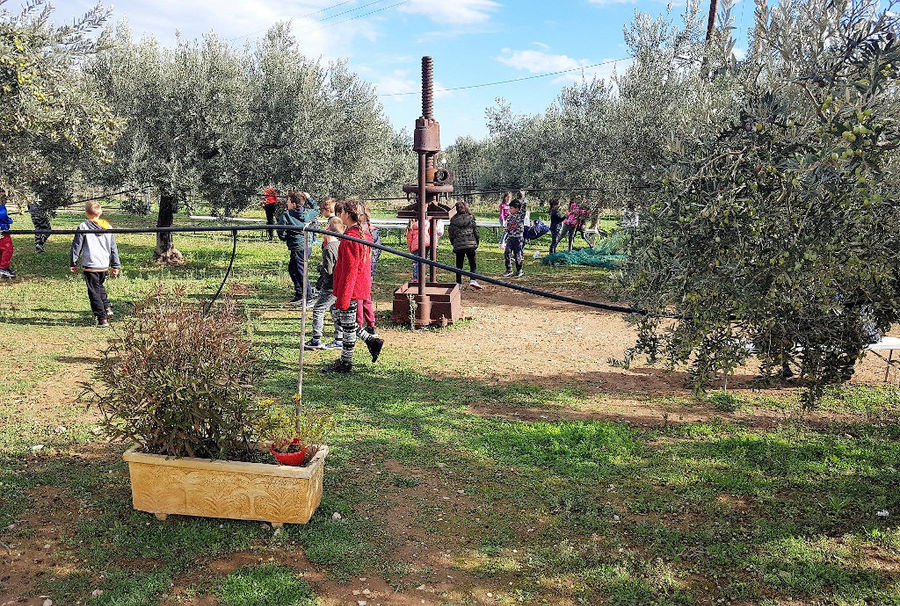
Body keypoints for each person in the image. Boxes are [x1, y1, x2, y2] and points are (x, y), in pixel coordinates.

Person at [325, 199, 384, 373]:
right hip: (354, 286)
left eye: (341, 212)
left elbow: (351, 270)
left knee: (347, 322)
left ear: (348, 215)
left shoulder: (352, 238)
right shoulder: (361, 235)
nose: (339, 215)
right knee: (341, 317)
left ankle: (346, 362)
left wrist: (344, 296)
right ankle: (371, 341)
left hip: (351, 287)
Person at [69, 201, 120, 327]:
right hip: (103, 264)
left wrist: (73, 262)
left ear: (86, 213)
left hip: (90, 264)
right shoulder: (108, 226)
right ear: (100, 212)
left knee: (94, 292)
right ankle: (107, 307)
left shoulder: (83, 227)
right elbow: (113, 247)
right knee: (99, 286)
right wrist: (115, 265)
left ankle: (101, 318)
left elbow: (76, 246)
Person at [304, 216, 345, 351]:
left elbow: (328, 270)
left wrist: (320, 267)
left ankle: (316, 339)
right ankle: (339, 339)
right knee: (335, 311)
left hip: (329, 286)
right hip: (338, 285)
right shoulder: (340, 245)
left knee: (318, 309)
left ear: (328, 229)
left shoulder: (329, 249)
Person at [277, 191, 317, 305]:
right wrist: (309, 198)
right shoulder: (308, 213)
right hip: (307, 246)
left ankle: (308, 298)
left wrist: (285, 237)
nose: (287, 203)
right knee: (293, 269)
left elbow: (281, 231)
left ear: (294, 204)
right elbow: (317, 209)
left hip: (298, 247)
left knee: (300, 271)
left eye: (289, 201)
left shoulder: (287, 215)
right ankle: (300, 294)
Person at [447, 201, 482, 290]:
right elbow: (476, 232)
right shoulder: (470, 218)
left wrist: (453, 243)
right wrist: (476, 242)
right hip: (470, 244)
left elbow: (451, 234)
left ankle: (458, 283)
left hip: (459, 245)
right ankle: (473, 280)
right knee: (472, 263)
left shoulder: (453, 220)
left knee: (459, 264)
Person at [356, 205, 380, 336]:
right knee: (366, 298)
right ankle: (371, 325)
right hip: (369, 269)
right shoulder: (372, 231)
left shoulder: (362, 232)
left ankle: (359, 325)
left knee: (359, 299)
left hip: (363, 270)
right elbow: (377, 251)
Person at [503, 190, 528, 278]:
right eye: (509, 208)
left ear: (517, 209)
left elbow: (524, 206)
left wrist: (523, 196)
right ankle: (509, 269)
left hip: (518, 238)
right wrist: (506, 229)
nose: (510, 210)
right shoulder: (510, 216)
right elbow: (509, 226)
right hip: (510, 237)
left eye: (511, 208)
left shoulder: (520, 215)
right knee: (506, 253)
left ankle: (519, 270)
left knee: (518, 255)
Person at [0, 188, 13, 278]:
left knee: (2, 249)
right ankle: (3, 268)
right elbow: (2, 215)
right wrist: (9, 220)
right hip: (2, 230)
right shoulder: (1, 205)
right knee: (8, 249)